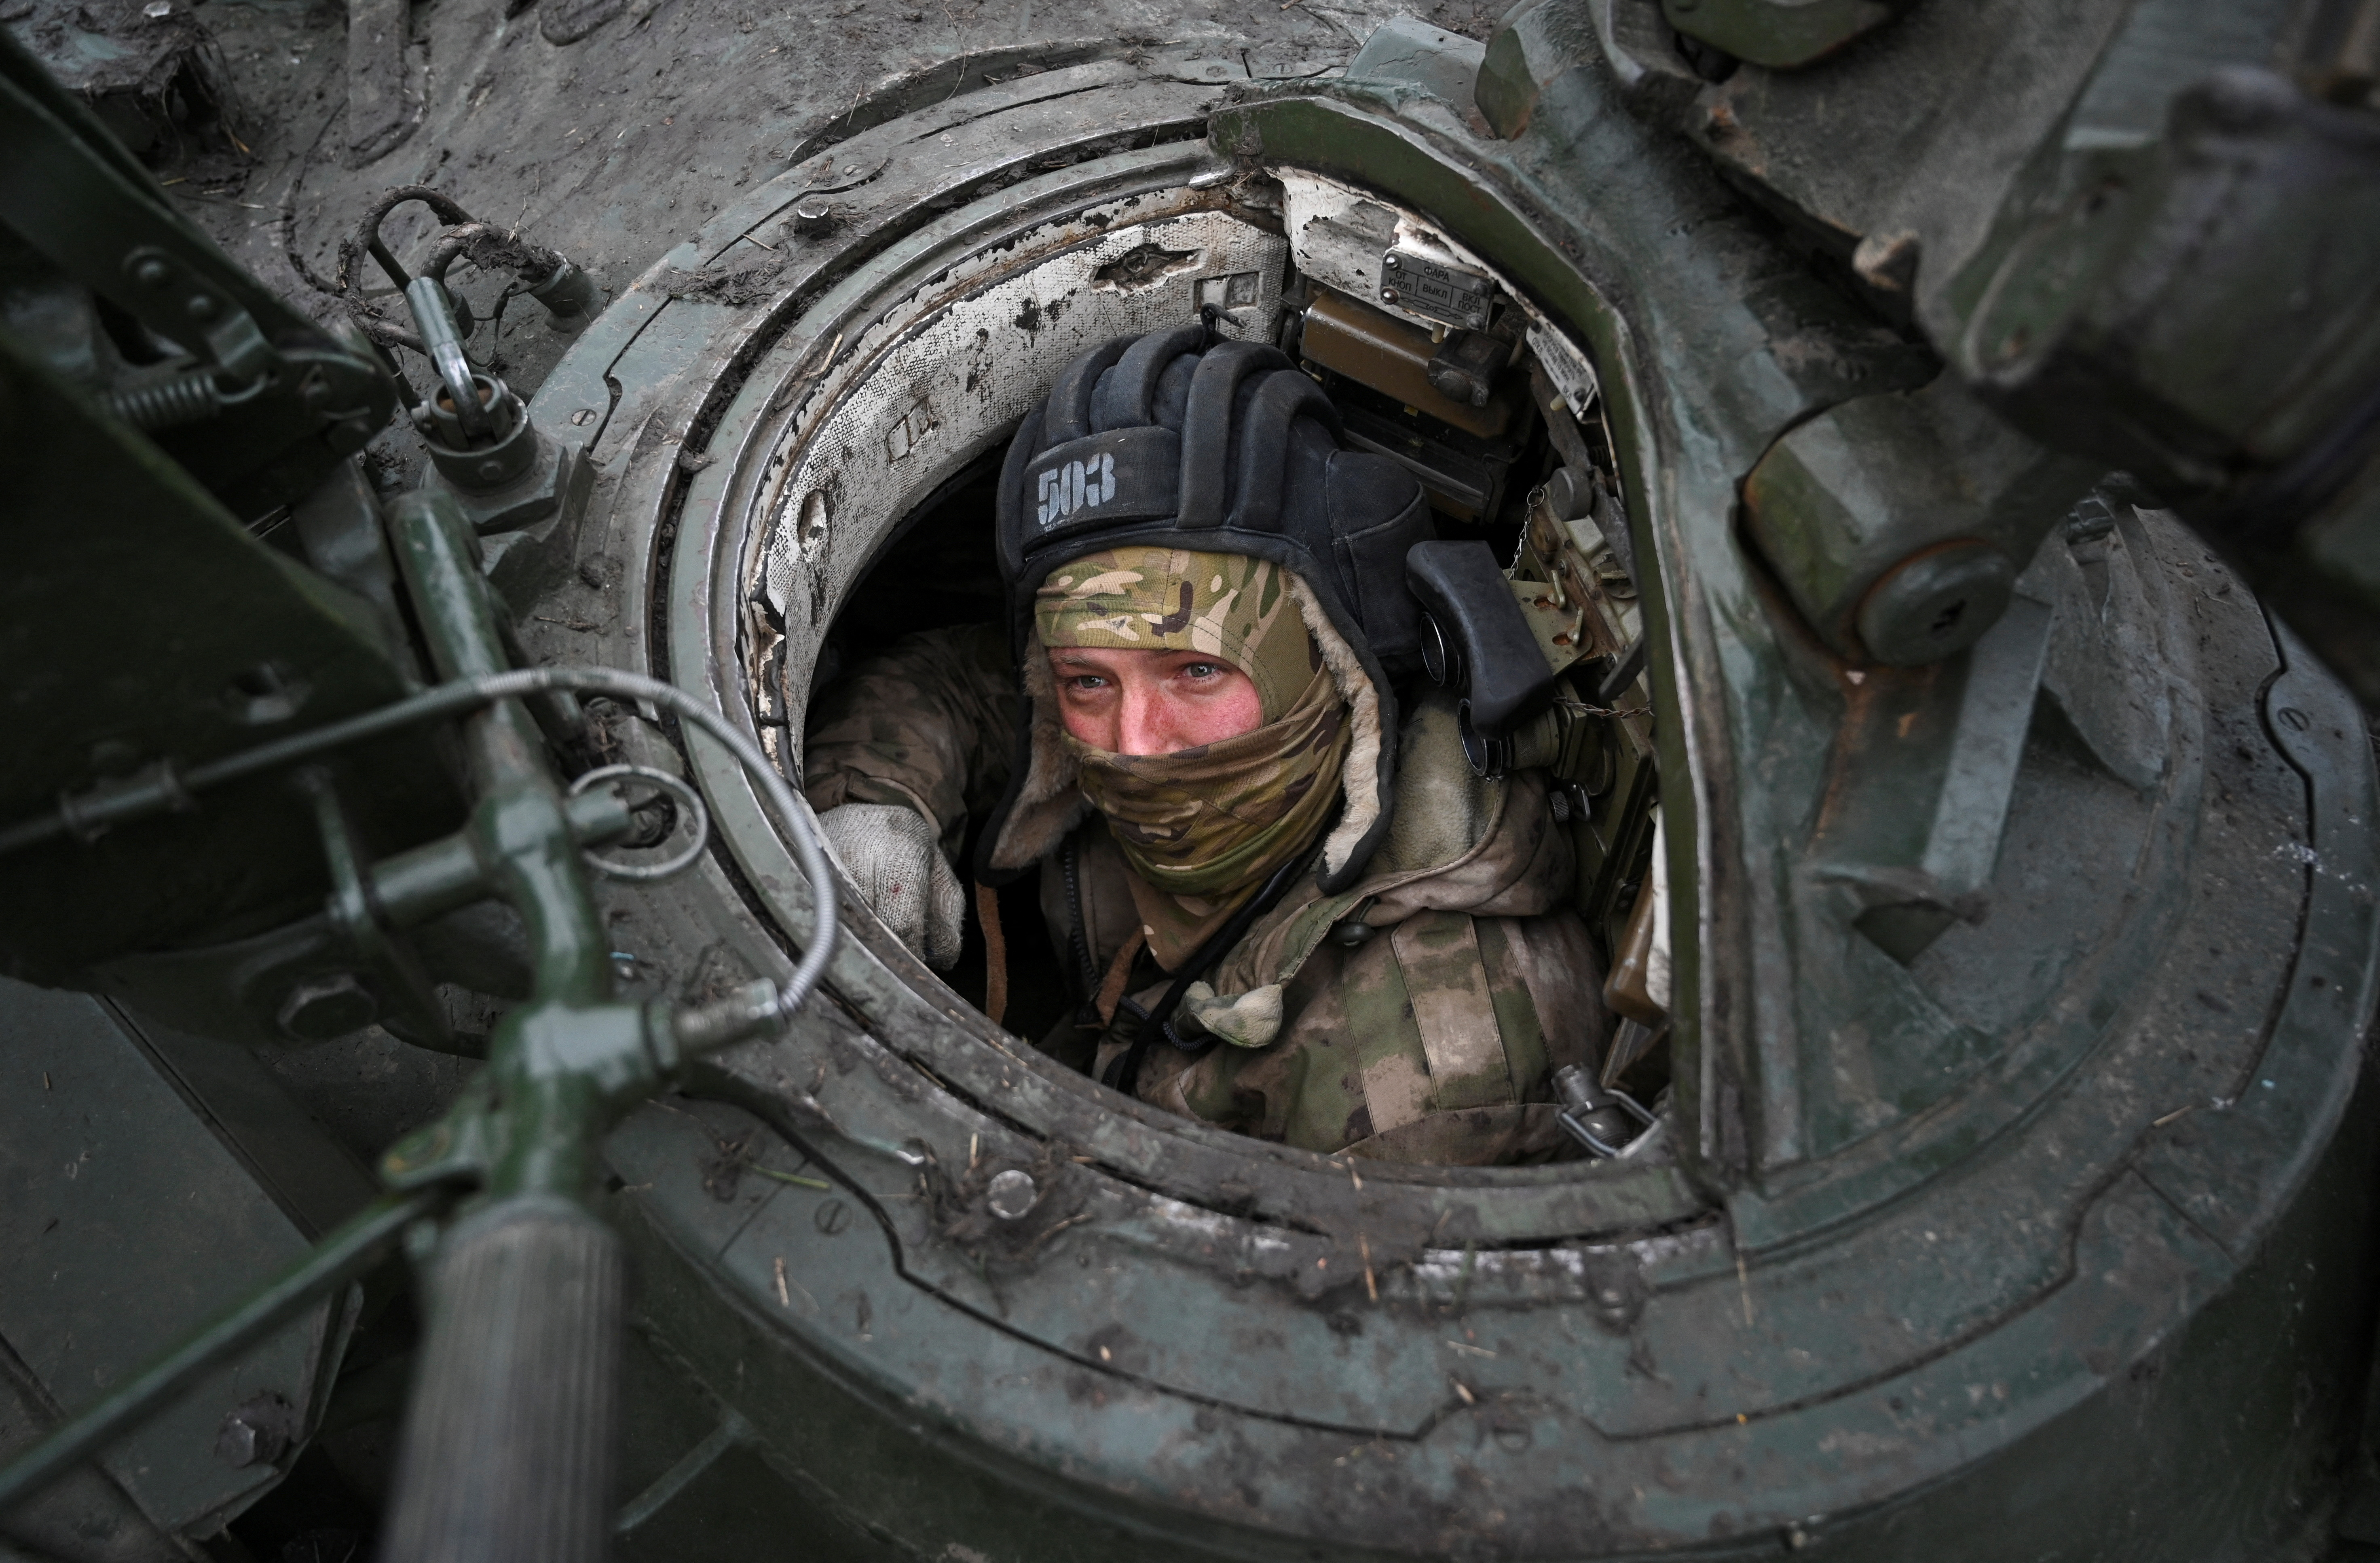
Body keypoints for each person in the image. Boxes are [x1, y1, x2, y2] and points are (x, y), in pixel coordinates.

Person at [801, 323, 1609, 1164]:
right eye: (1087, 681)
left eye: (1196, 670)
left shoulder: (1430, 1084)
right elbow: (958, 686)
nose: (1136, 744)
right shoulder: (1079, 721)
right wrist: (873, 802)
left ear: (1334, 663)